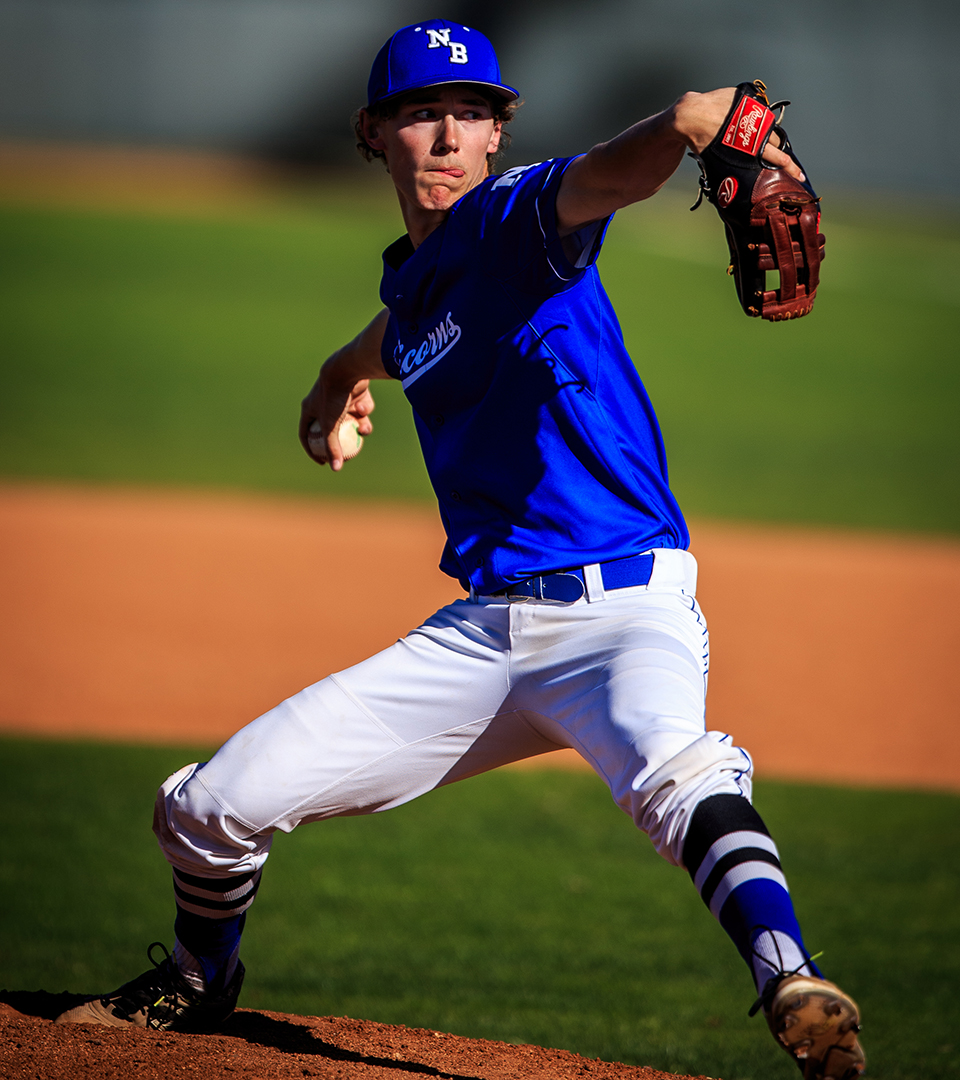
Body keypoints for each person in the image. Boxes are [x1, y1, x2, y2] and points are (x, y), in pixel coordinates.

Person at [56, 19, 866, 1079]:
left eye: (472, 114)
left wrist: (687, 121)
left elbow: (608, 177)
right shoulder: (417, 285)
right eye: (422, 114)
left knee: (680, 775)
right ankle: (201, 980)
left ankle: (791, 981)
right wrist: (335, 380)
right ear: (374, 135)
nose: (447, 136)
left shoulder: (516, 216)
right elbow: (395, 337)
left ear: (497, 136)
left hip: (625, 614)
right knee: (211, 806)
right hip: (484, 637)